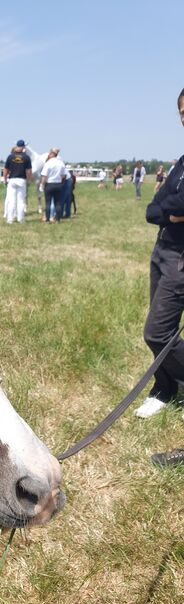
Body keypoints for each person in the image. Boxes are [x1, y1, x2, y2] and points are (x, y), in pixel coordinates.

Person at [134, 87, 184, 420]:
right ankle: (165, 387)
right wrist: (170, 212)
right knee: (158, 329)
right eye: (182, 111)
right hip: (163, 248)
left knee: (158, 331)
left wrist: (170, 209)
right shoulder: (181, 162)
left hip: (181, 254)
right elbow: (155, 209)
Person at [3, 139, 32, 224]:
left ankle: (10, 219)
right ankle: (21, 219)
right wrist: (29, 180)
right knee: (21, 201)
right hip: (22, 180)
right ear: (23, 147)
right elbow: (29, 171)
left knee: (11, 200)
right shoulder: (26, 157)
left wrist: (5, 179)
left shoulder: (10, 156)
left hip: (12, 179)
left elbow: (6, 169)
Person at [40, 149, 67, 223]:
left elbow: (44, 176)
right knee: (58, 203)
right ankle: (58, 219)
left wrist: (42, 184)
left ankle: (48, 219)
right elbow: (64, 175)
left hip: (49, 184)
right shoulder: (61, 163)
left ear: (52, 154)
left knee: (48, 202)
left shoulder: (48, 163)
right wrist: (61, 181)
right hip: (58, 184)